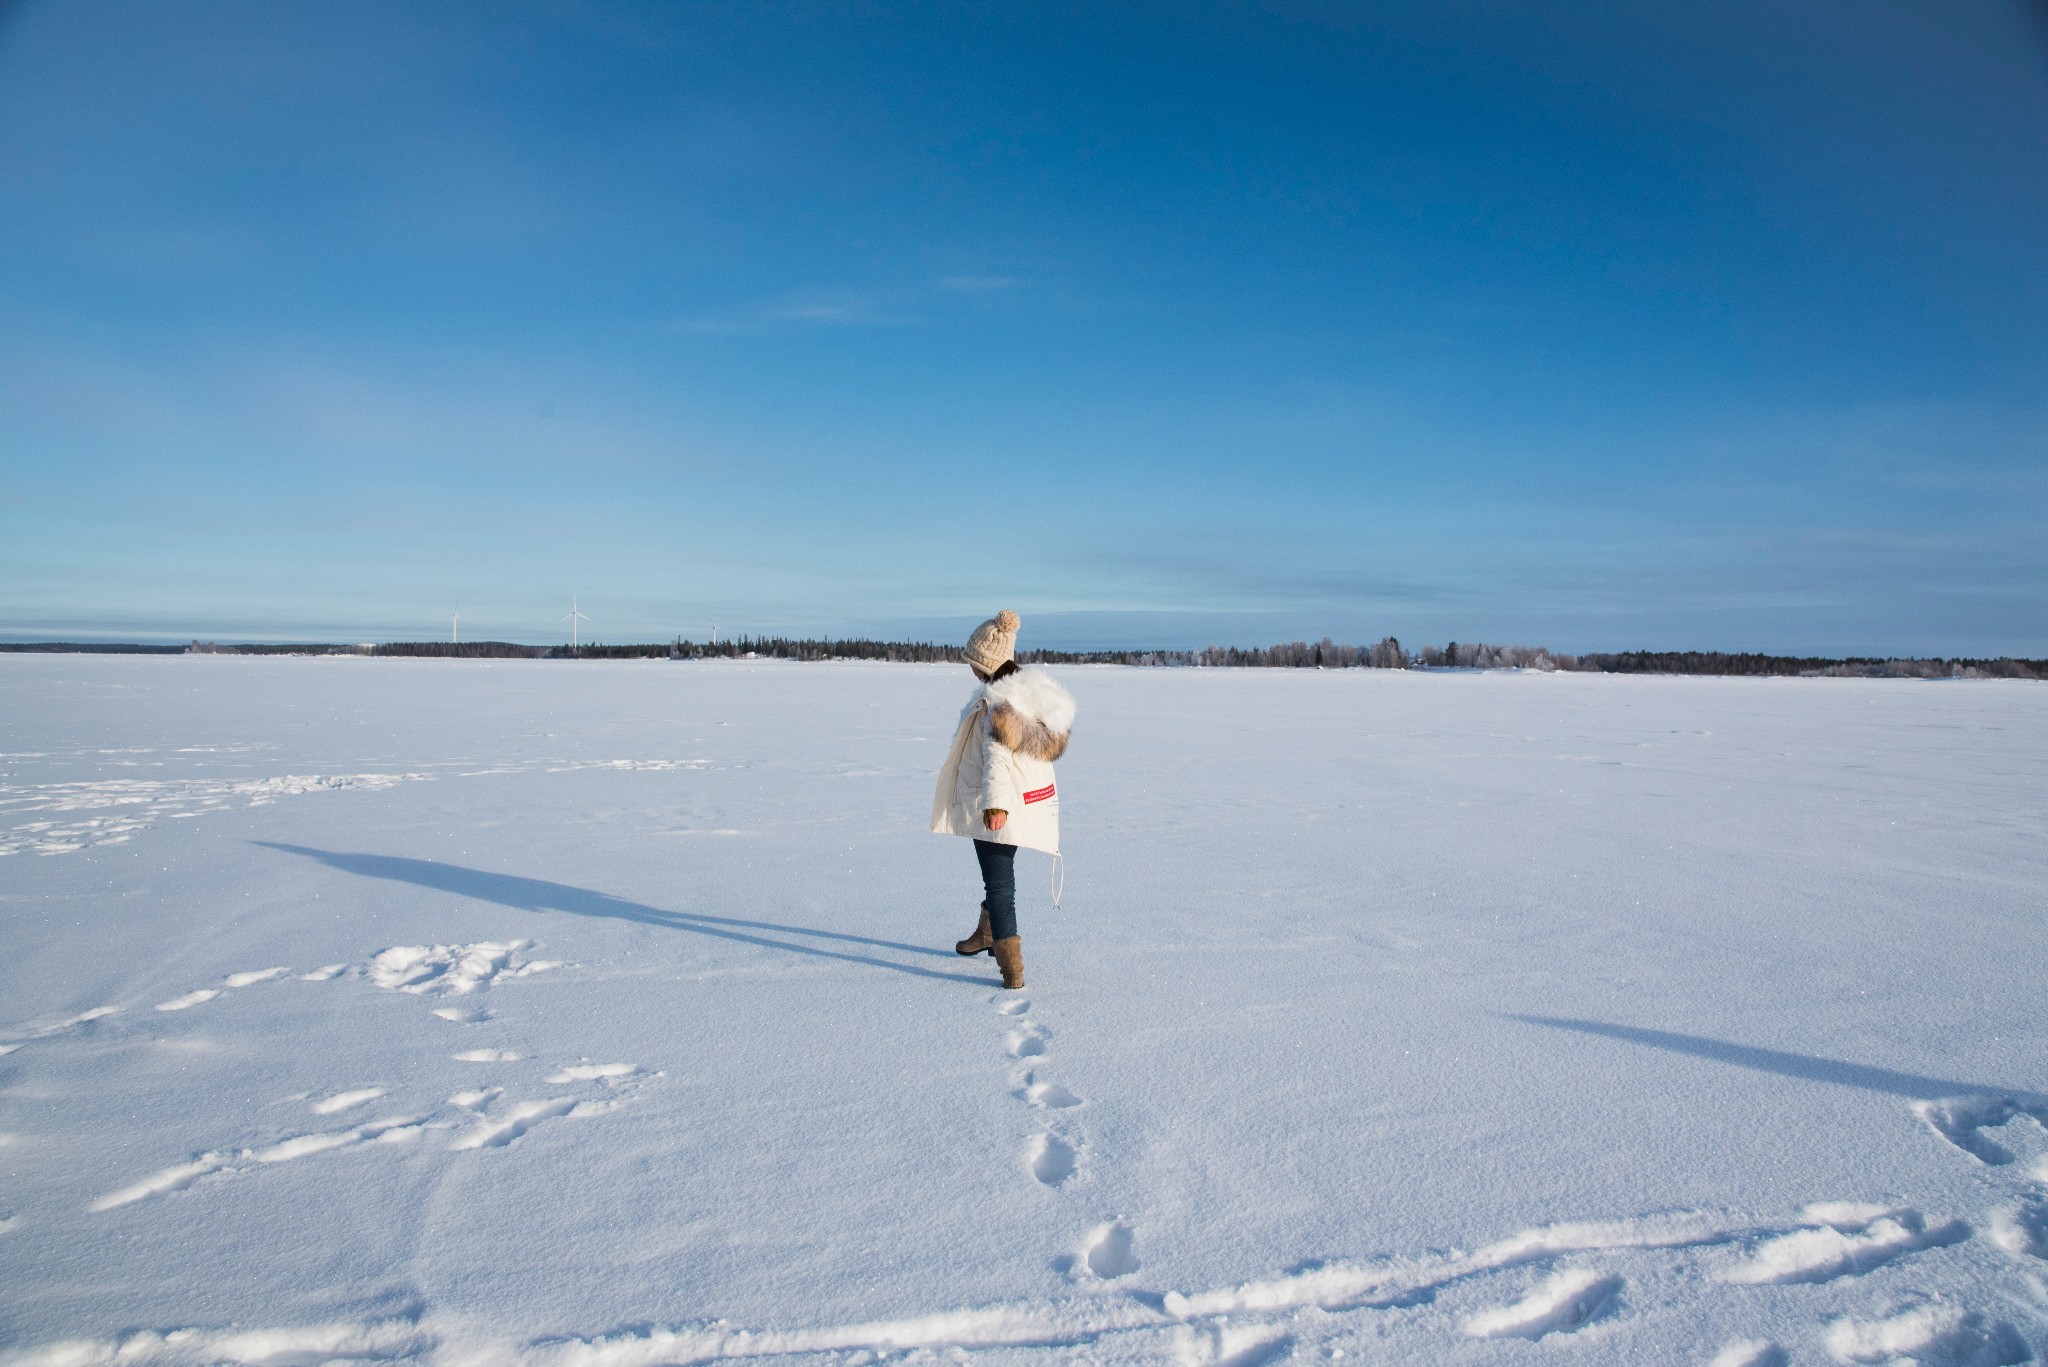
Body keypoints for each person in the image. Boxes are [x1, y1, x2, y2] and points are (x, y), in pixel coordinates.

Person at [930, 609, 1076, 989]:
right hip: (1025, 803)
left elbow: (997, 760)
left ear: (987, 663)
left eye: (973, 661)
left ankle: (1012, 971)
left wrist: (994, 807)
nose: (971, 668)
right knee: (998, 882)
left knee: (999, 887)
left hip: (997, 807)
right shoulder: (1025, 696)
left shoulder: (998, 706)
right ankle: (987, 935)